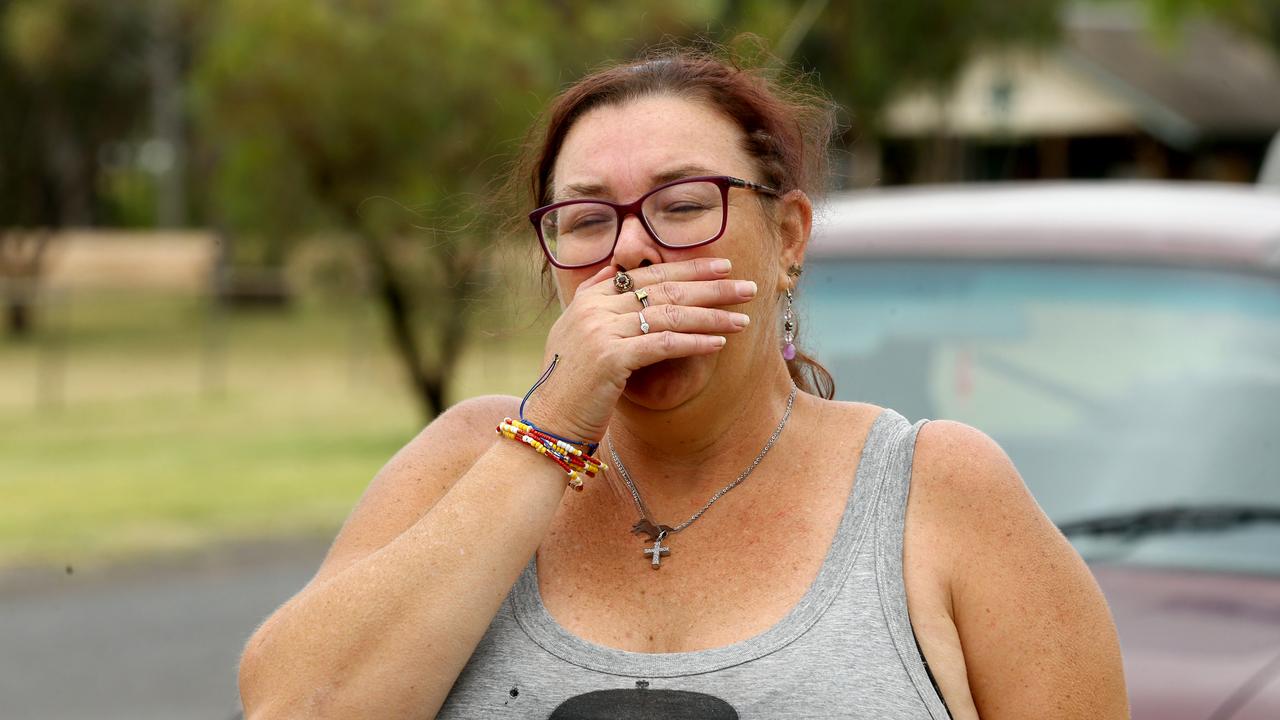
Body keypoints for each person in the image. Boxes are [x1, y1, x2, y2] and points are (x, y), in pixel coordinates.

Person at [237, 49, 1129, 719]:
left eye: (685, 205)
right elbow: (290, 709)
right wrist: (550, 429)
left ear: (788, 240)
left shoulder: (937, 488)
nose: (630, 250)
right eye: (586, 220)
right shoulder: (467, 462)